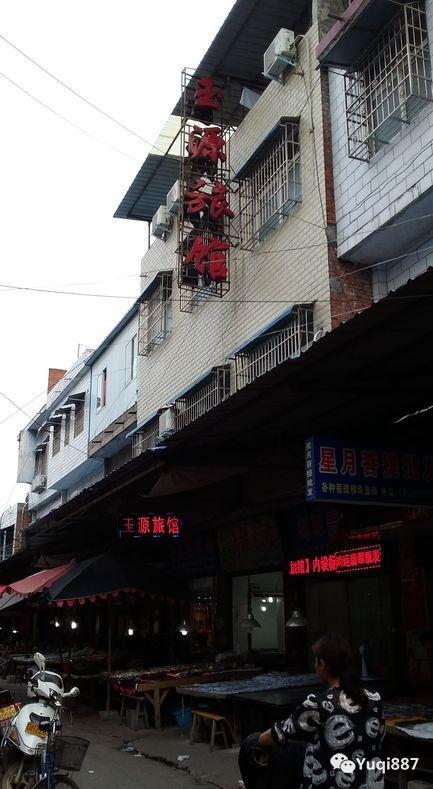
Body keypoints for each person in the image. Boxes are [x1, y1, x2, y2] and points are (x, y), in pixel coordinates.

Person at [239, 633, 385, 789]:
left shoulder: (318, 703)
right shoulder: (374, 699)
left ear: (321, 664)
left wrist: (254, 741)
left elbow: (278, 734)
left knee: (258, 745)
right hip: (370, 783)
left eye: (316, 661)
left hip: (329, 783)